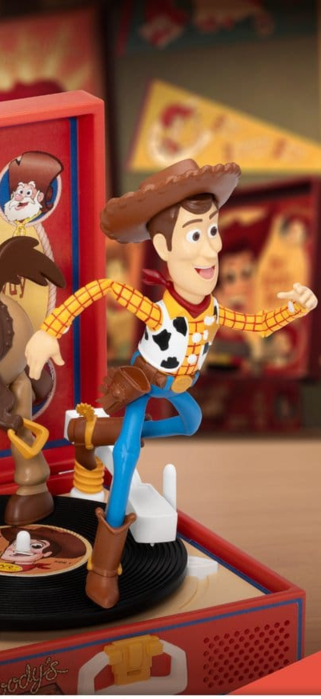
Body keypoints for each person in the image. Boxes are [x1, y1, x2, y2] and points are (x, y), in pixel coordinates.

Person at [25, 159, 318, 609]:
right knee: (126, 462)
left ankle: (98, 431)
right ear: (163, 246)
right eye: (195, 235)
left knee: (191, 422)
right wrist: (50, 331)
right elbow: (102, 288)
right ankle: (103, 569)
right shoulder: (158, 311)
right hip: (145, 381)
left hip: (180, 387)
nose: (211, 249)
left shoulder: (215, 311)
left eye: (213, 231)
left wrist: (296, 309)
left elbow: (258, 325)